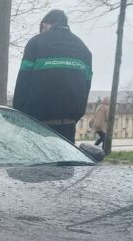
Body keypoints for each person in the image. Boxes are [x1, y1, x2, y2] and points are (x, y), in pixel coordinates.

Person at [13, 9, 93, 143]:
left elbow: (23, 82)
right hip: (68, 124)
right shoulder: (83, 48)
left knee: (40, 162)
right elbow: (86, 85)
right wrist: (75, 115)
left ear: (44, 25)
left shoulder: (36, 43)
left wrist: (19, 116)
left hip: (37, 124)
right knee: (66, 162)